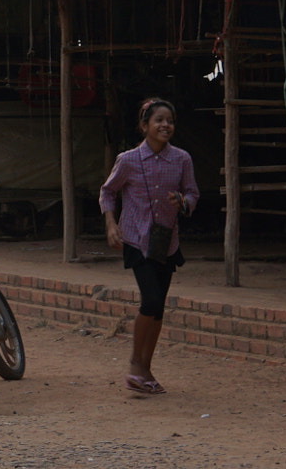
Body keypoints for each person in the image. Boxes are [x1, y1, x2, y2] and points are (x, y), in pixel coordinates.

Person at [98, 96, 198, 395]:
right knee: (151, 301)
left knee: (158, 310)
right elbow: (107, 192)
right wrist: (111, 224)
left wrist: (183, 202)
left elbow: (192, 194)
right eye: (158, 120)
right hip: (136, 240)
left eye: (169, 120)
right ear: (144, 126)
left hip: (166, 242)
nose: (165, 125)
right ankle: (134, 365)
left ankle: (146, 370)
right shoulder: (127, 160)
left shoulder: (182, 159)